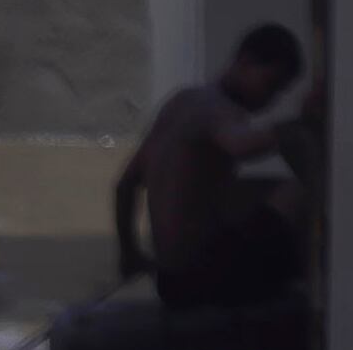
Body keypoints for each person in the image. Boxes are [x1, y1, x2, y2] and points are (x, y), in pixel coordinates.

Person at [114, 24, 318, 312]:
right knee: (299, 187)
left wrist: (129, 254)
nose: (270, 99)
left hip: (169, 280)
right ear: (245, 62)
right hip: (204, 276)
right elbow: (240, 145)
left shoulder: (181, 102)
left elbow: (125, 185)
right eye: (270, 84)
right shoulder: (218, 109)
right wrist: (300, 124)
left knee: (257, 189)